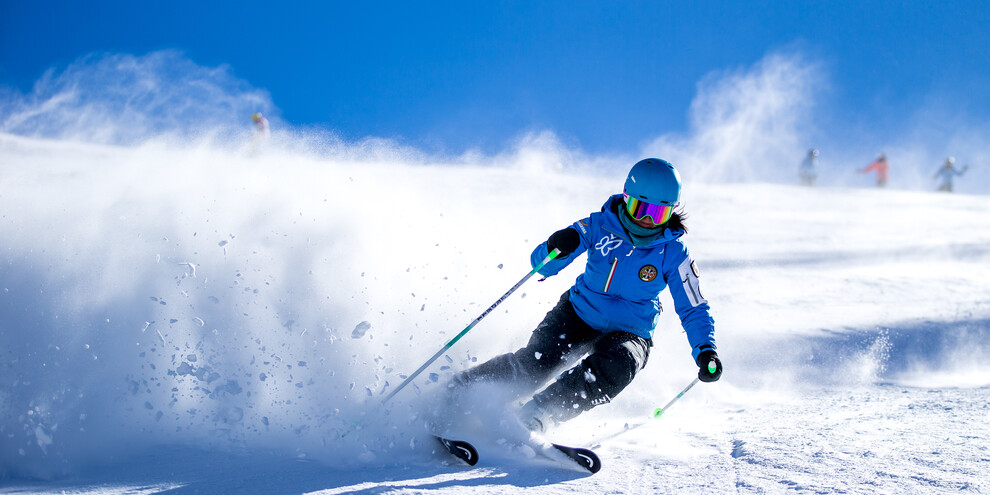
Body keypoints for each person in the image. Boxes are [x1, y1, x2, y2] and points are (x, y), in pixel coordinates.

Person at [446, 158, 722, 434]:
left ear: (671, 211)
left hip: (632, 330)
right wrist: (557, 246)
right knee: (538, 362)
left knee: (618, 366)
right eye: (640, 208)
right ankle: (462, 391)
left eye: (658, 213)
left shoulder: (674, 252)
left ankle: (539, 414)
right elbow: (541, 265)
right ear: (626, 199)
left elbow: (693, 307)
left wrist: (706, 350)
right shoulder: (598, 225)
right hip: (578, 313)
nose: (647, 221)